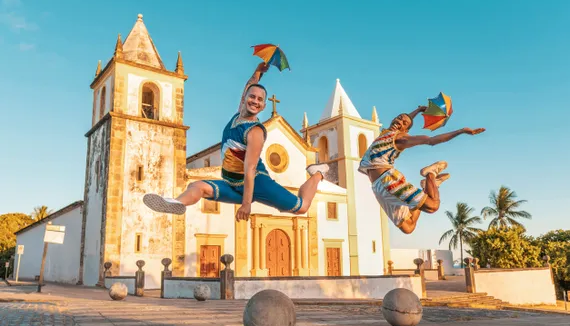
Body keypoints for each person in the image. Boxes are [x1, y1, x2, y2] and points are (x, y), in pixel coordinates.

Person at [143, 62, 330, 221]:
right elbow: (249, 86)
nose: (255, 101)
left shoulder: (254, 131)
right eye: (252, 97)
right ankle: (175, 203)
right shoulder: (237, 116)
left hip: (257, 183)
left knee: (301, 207)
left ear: (264, 105)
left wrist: (246, 205)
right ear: (244, 99)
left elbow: (249, 169)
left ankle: (318, 174)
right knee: (197, 186)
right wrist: (258, 72)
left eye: (259, 100)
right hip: (232, 183)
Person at [358, 106, 485, 234]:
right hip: (377, 187)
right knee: (408, 227)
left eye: (403, 123)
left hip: (388, 182)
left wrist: (461, 131)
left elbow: (431, 140)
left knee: (433, 206)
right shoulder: (385, 133)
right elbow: (406, 118)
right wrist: (418, 111)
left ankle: (430, 174)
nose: (399, 122)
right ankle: (426, 186)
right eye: (398, 118)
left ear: (405, 130)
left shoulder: (401, 138)